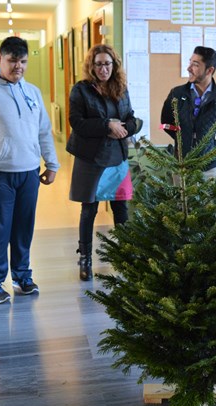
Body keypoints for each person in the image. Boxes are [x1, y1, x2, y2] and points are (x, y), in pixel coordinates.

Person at [0, 36, 59, 304]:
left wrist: (52, 164)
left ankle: (21, 276)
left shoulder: (33, 92)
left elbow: (43, 132)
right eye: (13, 60)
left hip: (29, 173)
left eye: (23, 61)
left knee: (23, 229)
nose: (19, 66)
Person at [66, 44, 140, 281]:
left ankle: (126, 256)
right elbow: (76, 122)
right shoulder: (81, 90)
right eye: (98, 64)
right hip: (92, 158)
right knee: (89, 210)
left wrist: (125, 128)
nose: (103, 68)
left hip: (117, 157)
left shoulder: (121, 88)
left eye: (107, 63)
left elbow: (131, 117)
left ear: (114, 65)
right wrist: (107, 126)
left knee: (121, 208)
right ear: (91, 66)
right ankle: (85, 259)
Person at [160, 46, 216, 179]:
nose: (189, 68)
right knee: (181, 201)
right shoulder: (176, 94)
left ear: (209, 70)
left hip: (211, 170)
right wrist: (182, 139)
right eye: (190, 62)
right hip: (182, 168)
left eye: (195, 64)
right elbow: (165, 123)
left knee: (211, 201)